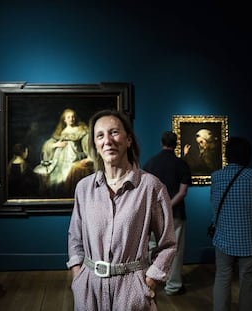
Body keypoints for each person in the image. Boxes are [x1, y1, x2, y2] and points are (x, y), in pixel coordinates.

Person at [67, 110, 177, 311]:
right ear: (95, 146)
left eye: (114, 132)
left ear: (128, 140)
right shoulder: (84, 188)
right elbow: (75, 237)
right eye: (100, 135)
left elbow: (168, 244)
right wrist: (78, 277)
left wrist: (149, 281)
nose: (107, 140)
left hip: (132, 289)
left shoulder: (151, 187)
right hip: (90, 289)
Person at [210, 137, 252, 311]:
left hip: (224, 240)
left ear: (227, 155)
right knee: (249, 284)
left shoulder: (216, 176)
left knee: (222, 278)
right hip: (251, 242)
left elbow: (214, 203)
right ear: (247, 155)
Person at [143, 131, 192, 296]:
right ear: (176, 144)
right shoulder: (181, 164)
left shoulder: (150, 163)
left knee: (151, 248)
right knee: (175, 249)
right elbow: (182, 192)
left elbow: (145, 192)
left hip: (152, 214)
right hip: (176, 213)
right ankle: (173, 285)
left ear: (161, 142)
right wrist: (168, 206)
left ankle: (150, 282)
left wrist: (160, 208)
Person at [33, 108, 93, 197]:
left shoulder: (80, 130)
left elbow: (87, 142)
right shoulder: (61, 132)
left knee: (65, 177)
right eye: (68, 117)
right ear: (64, 120)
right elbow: (49, 143)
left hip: (73, 157)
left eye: (73, 117)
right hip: (59, 159)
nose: (71, 119)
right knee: (52, 177)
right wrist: (56, 145)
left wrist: (89, 156)